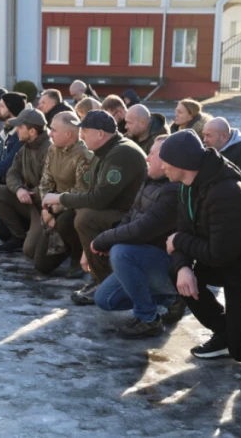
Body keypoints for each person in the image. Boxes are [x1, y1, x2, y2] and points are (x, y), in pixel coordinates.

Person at [162, 130, 241, 360]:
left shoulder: (226, 191)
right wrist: (183, 267)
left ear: (181, 163)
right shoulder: (187, 185)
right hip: (227, 262)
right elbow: (184, 230)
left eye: (166, 161)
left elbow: (219, 254)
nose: (162, 166)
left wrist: (178, 240)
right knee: (177, 272)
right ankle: (224, 329)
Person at [42, 110, 147, 305]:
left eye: (85, 131)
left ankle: (105, 281)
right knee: (81, 213)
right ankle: (99, 276)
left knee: (86, 217)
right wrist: (86, 252)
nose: (81, 136)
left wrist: (60, 198)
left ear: (100, 133)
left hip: (134, 216)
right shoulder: (105, 150)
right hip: (120, 211)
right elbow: (92, 192)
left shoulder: (121, 153)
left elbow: (99, 199)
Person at [93, 135, 183, 338]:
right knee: (105, 299)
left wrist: (105, 239)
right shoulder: (150, 180)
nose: (147, 158)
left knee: (121, 252)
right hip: (145, 260)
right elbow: (130, 217)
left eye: (153, 154)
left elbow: (143, 229)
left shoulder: (173, 191)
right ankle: (170, 299)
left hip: (170, 266)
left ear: (168, 161)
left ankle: (148, 318)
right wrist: (111, 238)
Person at [0, 109, 65, 273]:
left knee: (30, 252)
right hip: (28, 201)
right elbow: (12, 173)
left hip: (45, 208)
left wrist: (30, 193)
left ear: (32, 131)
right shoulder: (25, 148)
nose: (17, 130)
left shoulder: (49, 150)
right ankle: (18, 237)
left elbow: (52, 185)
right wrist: (18, 190)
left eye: (20, 127)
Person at [39, 111, 91, 278]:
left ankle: (78, 253)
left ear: (68, 133)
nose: (50, 134)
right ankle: (66, 248)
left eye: (54, 130)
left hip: (75, 209)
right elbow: (45, 182)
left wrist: (54, 209)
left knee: (66, 221)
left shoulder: (84, 155)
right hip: (53, 207)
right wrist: (46, 208)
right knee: (41, 264)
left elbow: (81, 191)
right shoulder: (53, 150)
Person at [202, 117, 241, 209]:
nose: (204, 140)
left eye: (209, 136)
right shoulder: (210, 148)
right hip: (218, 202)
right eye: (204, 135)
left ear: (224, 136)